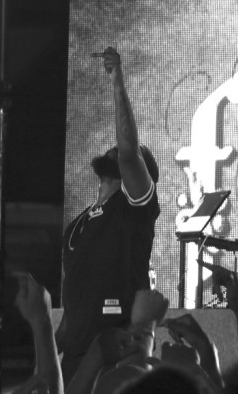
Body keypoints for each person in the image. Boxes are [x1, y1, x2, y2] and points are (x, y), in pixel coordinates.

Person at [57, 47, 160, 385]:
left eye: (128, 155)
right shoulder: (79, 223)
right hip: (75, 353)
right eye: (113, 149)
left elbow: (130, 151)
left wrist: (118, 82)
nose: (117, 151)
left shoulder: (133, 209)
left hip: (117, 350)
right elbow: (73, 293)